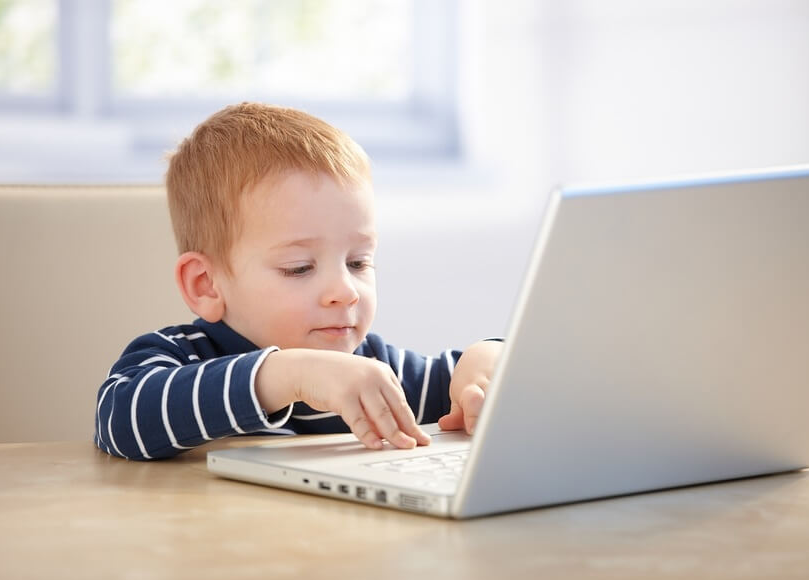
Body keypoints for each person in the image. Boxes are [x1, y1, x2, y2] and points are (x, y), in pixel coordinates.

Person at [95, 102, 503, 460]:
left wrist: (487, 359)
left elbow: (491, 375)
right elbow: (120, 420)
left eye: (359, 262)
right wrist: (288, 375)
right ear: (206, 284)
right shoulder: (178, 357)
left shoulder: (376, 368)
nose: (344, 291)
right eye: (299, 268)